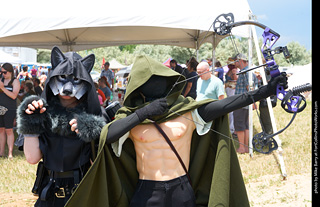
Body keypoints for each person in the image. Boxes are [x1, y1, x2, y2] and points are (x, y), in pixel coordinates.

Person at [66, 55, 287, 207]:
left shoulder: (188, 112)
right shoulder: (131, 117)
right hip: (146, 191)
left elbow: (229, 103)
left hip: (181, 187)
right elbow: (108, 135)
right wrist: (142, 114)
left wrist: (267, 89)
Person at [16, 47, 107, 207]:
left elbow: (102, 163)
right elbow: (32, 158)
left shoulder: (96, 114)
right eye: (62, 78)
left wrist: (93, 130)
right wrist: (31, 122)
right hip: (49, 192)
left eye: (75, 80)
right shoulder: (39, 109)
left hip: (83, 193)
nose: (67, 87)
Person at [233, 53, 258, 154]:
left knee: (239, 125)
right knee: (246, 125)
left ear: (240, 60)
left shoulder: (245, 72)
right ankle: (246, 147)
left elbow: (250, 88)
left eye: (235, 60)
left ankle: (242, 148)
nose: (234, 63)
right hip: (246, 103)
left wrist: (253, 101)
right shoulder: (248, 72)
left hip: (241, 103)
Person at [0, 63, 20, 159]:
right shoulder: (1, 80)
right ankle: (1, 152)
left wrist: (3, 88)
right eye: (1, 72)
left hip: (10, 108)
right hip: (0, 108)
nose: (3, 74)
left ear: (10, 72)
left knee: (9, 130)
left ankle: (10, 153)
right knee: (1, 130)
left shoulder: (15, 81)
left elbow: (14, 95)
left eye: (4, 72)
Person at [225, 58, 238, 135]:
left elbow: (235, 79)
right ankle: (231, 127)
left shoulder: (234, 71)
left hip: (232, 90)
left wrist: (234, 74)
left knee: (231, 111)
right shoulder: (230, 71)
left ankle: (232, 128)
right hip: (229, 90)